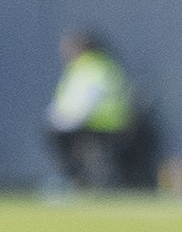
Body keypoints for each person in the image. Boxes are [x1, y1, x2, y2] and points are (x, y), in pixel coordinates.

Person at [44, 28, 144, 194]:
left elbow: (86, 102)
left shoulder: (88, 67)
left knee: (56, 134)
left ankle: (72, 178)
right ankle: (78, 178)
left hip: (101, 126)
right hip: (117, 125)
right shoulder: (106, 64)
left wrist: (64, 120)